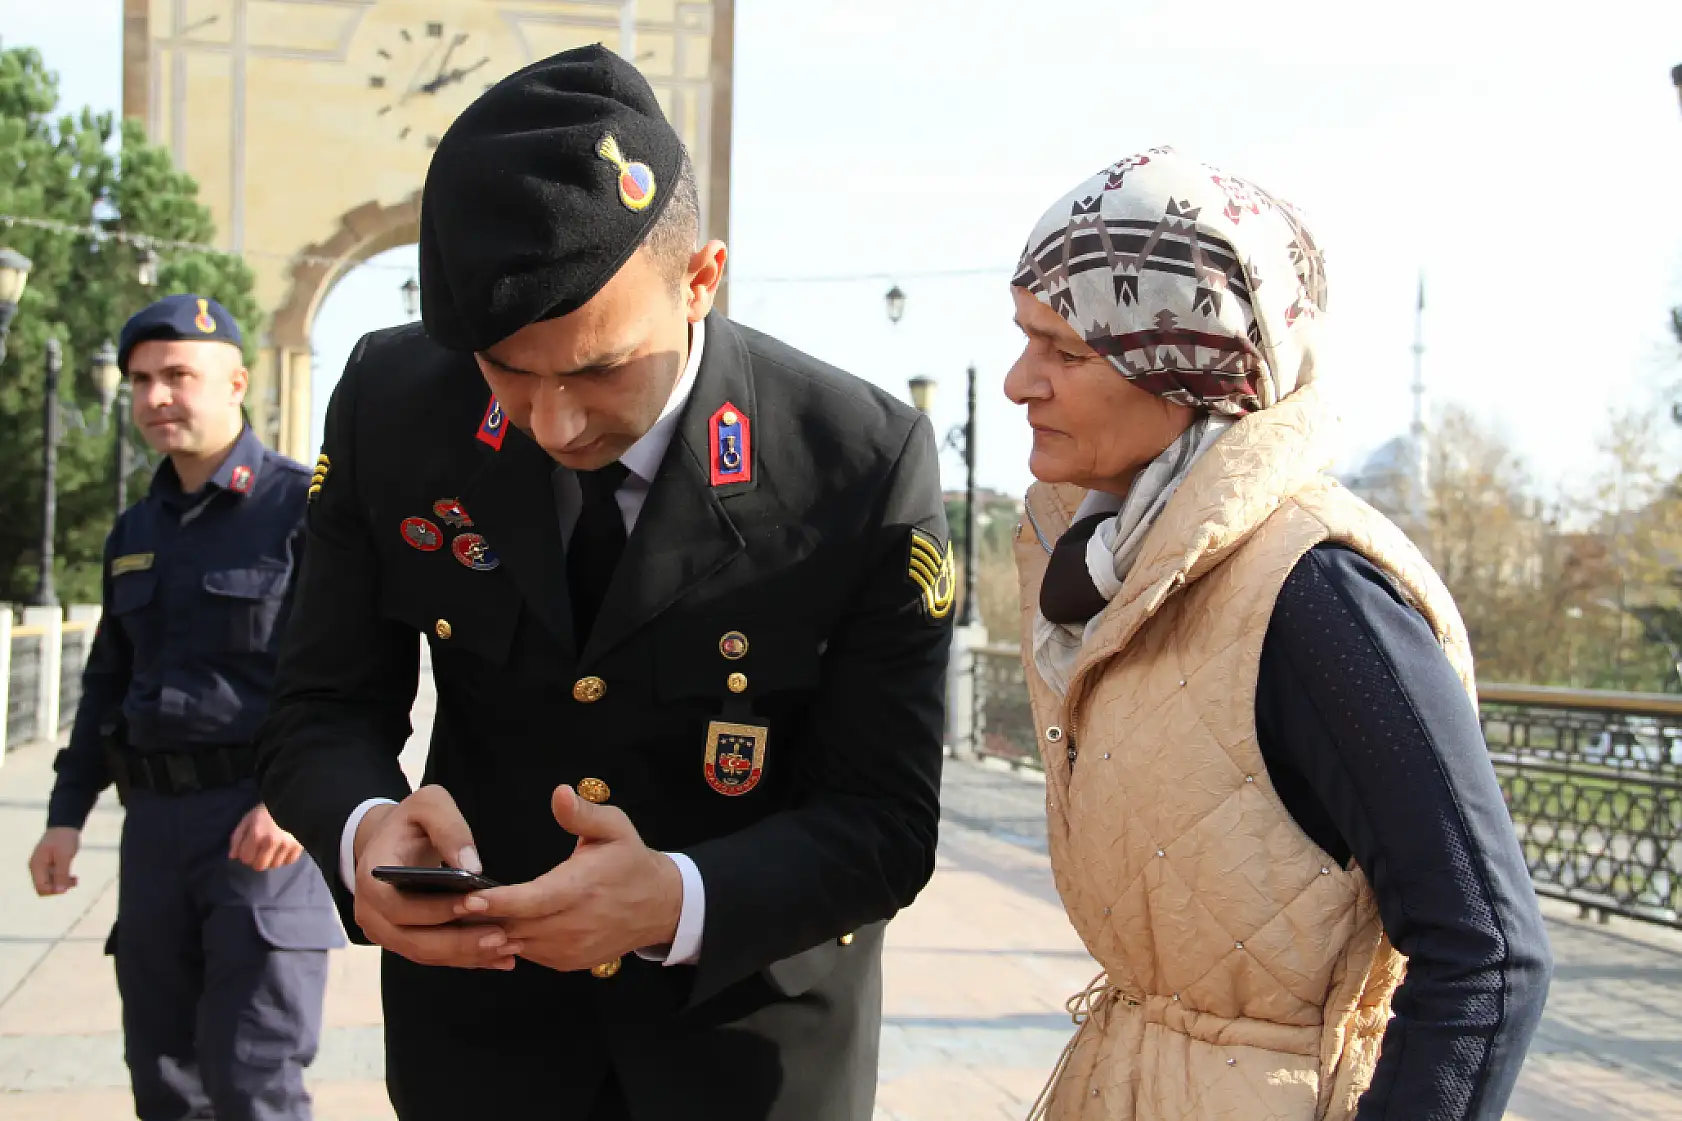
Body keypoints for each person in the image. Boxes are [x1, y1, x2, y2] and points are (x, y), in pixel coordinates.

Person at [254, 44, 953, 1121]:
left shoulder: (853, 459)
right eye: (507, 372)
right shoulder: (394, 403)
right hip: (480, 1045)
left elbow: (883, 818)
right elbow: (320, 702)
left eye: (596, 369)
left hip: (745, 1050)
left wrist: (675, 897)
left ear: (701, 279)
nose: (554, 423)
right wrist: (362, 831)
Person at [1004, 148, 1552, 1120]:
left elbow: (1486, 955)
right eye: (1022, 338)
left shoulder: (1316, 595)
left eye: (1064, 351)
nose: (1016, 381)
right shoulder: (1118, 571)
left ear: (1189, 364)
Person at [26, 293, 343, 1121]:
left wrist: (293, 801)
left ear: (236, 380)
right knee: (163, 1077)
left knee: (254, 1075)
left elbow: (345, 675)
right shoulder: (136, 527)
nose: (156, 396)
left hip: (261, 828)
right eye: (139, 380)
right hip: (155, 828)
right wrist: (66, 814)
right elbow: (106, 680)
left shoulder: (301, 510)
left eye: (177, 376)